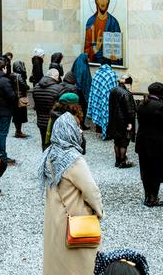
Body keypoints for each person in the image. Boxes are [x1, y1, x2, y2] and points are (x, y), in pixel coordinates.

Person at [40, 113, 103, 275]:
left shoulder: (49, 154)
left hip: (54, 217)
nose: (80, 131)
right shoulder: (73, 160)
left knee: (57, 262)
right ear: (69, 130)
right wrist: (99, 211)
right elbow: (91, 190)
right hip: (75, 218)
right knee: (80, 263)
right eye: (77, 127)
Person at [135, 82, 163, 207]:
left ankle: (147, 196)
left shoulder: (141, 104)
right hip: (157, 143)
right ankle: (153, 198)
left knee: (145, 170)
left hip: (143, 141)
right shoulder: (161, 106)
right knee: (156, 171)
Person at [84, 0, 124, 65]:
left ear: (108, 0)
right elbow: (86, 51)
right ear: (96, 0)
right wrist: (96, 48)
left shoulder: (114, 22)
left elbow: (118, 49)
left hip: (109, 65)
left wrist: (115, 56)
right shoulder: (91, 22)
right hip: (95, 64)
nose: (103, 1)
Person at [107, 75, 136, 168]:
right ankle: (122, 162)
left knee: (117, 141)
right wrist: (130, 123)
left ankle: (117, 161)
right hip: (124, 121)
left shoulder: (113, 90)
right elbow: (130, 111)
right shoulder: (126, 94)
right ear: (128, 84)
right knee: (124, 142)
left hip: (114, 120)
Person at [33, 68, 62, 150]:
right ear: (56, 77)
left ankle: (44, 157)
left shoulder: (36, 87)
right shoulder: (58, 88)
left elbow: (36, 104)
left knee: (44, 143)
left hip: (40, 120)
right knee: (54, 144)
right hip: (53, 121)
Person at [11, 61, 30, 138]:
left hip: (14, 97)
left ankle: (18, 131)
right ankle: (18, 131)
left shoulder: (11, 75)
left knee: (16, 115)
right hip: (20, 97)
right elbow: (24, 86)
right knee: (20, 115)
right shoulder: (19, 76)